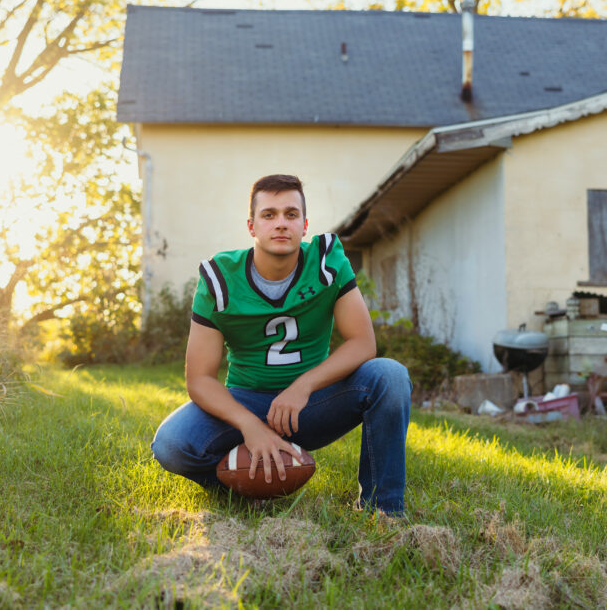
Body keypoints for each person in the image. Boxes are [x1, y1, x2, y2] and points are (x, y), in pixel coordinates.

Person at [151, 174, 412, 515]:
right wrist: (249, 426)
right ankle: (245, 484)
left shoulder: (326, 263)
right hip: (247, 399)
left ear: (304, 226)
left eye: (291, 215)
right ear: (251, 226)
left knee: (389, 376)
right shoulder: (220, 279)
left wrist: (303, 386)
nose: (281, 224)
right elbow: (199, 378)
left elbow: (363, 343)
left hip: (313, 404)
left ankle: (383, 510)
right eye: (269, 215)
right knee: (170, 444)